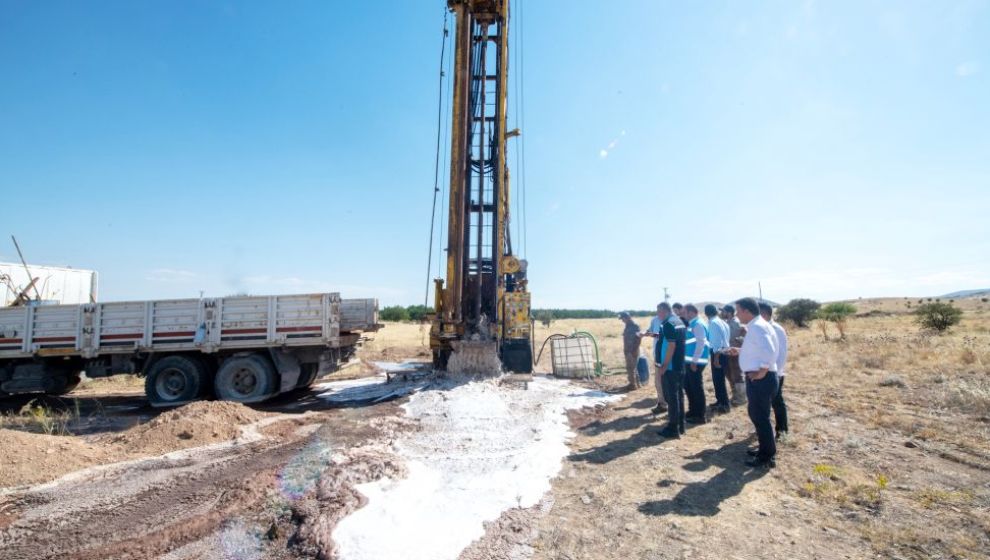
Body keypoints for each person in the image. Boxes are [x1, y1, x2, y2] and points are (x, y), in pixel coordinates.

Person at [728, 297, 779, 468]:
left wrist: (762, 371)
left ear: (747, 311)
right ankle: (765, 449)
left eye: (738, 311)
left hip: (762, 379)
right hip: (759, 378)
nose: (736, 314)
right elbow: (760, 349)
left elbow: (770, 351)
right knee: (757, 415)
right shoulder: (757, 326)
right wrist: (741, 351)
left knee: (761, 417)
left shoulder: (757, 327)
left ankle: (767, 456)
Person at [643, 302, 686, 438]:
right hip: (679, 364)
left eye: (658, 312)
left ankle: (673, 429)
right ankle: (680, 425)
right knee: (678, 396)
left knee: (671, 398)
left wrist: (664, 365)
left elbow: (671, 346)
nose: (657, 315)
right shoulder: (679, 321)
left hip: (671, 367)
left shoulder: (667, 324)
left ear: (663, 311)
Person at [760, 302, 789, 439]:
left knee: (777, 402)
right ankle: (766, 430)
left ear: (764, 314)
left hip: (773, 373)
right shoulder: (763, 328)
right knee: (765, 404)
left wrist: (775, 372)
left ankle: (782, 430)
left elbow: (781, 354)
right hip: (765, 372)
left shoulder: (776, 329)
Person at [683, 304, 710, 424]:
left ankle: (700, 415)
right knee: (689, 387)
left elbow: (701, 343)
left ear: (691, 312)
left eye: (684, 312)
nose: (683, 315)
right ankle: (693, 411)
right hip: (690, 361)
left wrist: (694, 361)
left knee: (696, 388)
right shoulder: (693, 323)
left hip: (696, 362)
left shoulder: (698, 323)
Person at [640, 305, 667, 414]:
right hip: (658, 354)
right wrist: (644, 333)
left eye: (661, 310)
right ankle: (662, 403)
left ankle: (668, 403)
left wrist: (652, 334)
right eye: (657, 310)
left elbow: (664, 336)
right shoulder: (655, 320)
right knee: (658, 380)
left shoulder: (671, 321)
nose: (658, 312)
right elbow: (650, 331)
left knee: (668, 381)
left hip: (668, 354)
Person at [705, 304, 732, 413]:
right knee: (719, 379)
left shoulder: (713, 323)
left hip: (718, 353)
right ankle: (720, 401)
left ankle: (724, 404)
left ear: (706, 313)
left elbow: (717, 343)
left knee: (718, 380)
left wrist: (716, 358)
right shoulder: (722, 322)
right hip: (724, 351)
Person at [723, 304, 747, 406]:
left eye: (723, 311)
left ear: (728, 312)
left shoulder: (735, 323)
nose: (722, 313)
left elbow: (739, 336)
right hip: (729, 352)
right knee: (730, 374)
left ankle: (741, 398)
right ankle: (735, 395)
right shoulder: (728, 322)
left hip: (735, 353)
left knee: (737, 374)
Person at [619, 312, 642, 390]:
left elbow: (639, 339)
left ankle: (633, 385)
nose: (622, 320)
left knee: (631, 368)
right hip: (628, 350)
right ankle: (637, 384)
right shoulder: (627, 326)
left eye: (623, 318)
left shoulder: (635, 326)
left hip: (633, 350)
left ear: (628, 317)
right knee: (632, 368)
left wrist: (635, 350)